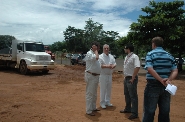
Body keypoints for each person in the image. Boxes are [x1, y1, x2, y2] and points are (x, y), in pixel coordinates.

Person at [142, 37, 178, 122]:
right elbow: (175, 70)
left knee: (149, 111)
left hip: (153, 85)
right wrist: (169, 79)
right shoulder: (169, 55)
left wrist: (160, 79)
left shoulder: (151, 54)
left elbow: (150, 69)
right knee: (164, 112)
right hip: (166, 86)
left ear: (153, 44)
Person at [120, 44, 140, 120]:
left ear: (128, 49)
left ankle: (135, 113)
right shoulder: (127, 57)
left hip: (131, 79)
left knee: (133, 96)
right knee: (126, 94)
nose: (124, 50)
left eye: (125, 48)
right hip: (126, 78)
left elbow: (137, 67)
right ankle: (128, 108)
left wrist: (133, 77)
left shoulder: (135, 57)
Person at [84, 41, 101, 116]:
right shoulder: (89, 53)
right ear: (93, 47)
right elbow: (96, 58)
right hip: (91, 75)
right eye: (98, 47)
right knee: (90, 93)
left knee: (94, 93)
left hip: (96, 76)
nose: (98, 49)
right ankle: (88, 110)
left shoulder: (94, 53)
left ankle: (93, 107)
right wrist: (96, 50)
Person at [99, 44, 116, 109]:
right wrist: (108, 66)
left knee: (109, 89)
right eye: (105, 48)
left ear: (109, 49)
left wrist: (113, 66)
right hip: (103, 75)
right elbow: (100, 65)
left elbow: (115, 63)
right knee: (103, 89)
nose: (106, 49)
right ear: (103, 49)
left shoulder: (111, 56)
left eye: (107, 48)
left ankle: (107, 101)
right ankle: (102, 102)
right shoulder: (100, 57)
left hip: (110, 75)